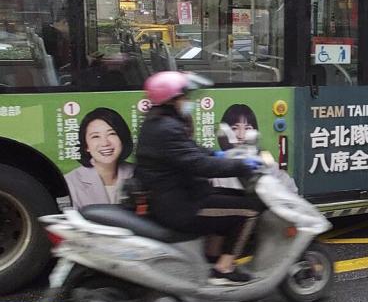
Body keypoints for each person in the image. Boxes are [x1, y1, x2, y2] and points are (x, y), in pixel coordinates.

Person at [134, 71, 263, 285]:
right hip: (182, 205)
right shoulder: (168, 128)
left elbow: (190, 152)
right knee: (251, 208)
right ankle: (223, 268)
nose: (187, 102)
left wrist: (219, 154)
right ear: (171, 100)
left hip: (178, 195)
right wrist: (242, 164)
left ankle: (211, 258)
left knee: (235, 199)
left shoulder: (159, 123)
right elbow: (199, 165)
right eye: (184, 97)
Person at [65, 108, 135, 209]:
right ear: (86, 146)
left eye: (112, 134)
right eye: (95, 136)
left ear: (122, 138)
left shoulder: (138, 174)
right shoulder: (70, 183)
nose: (105, 143)